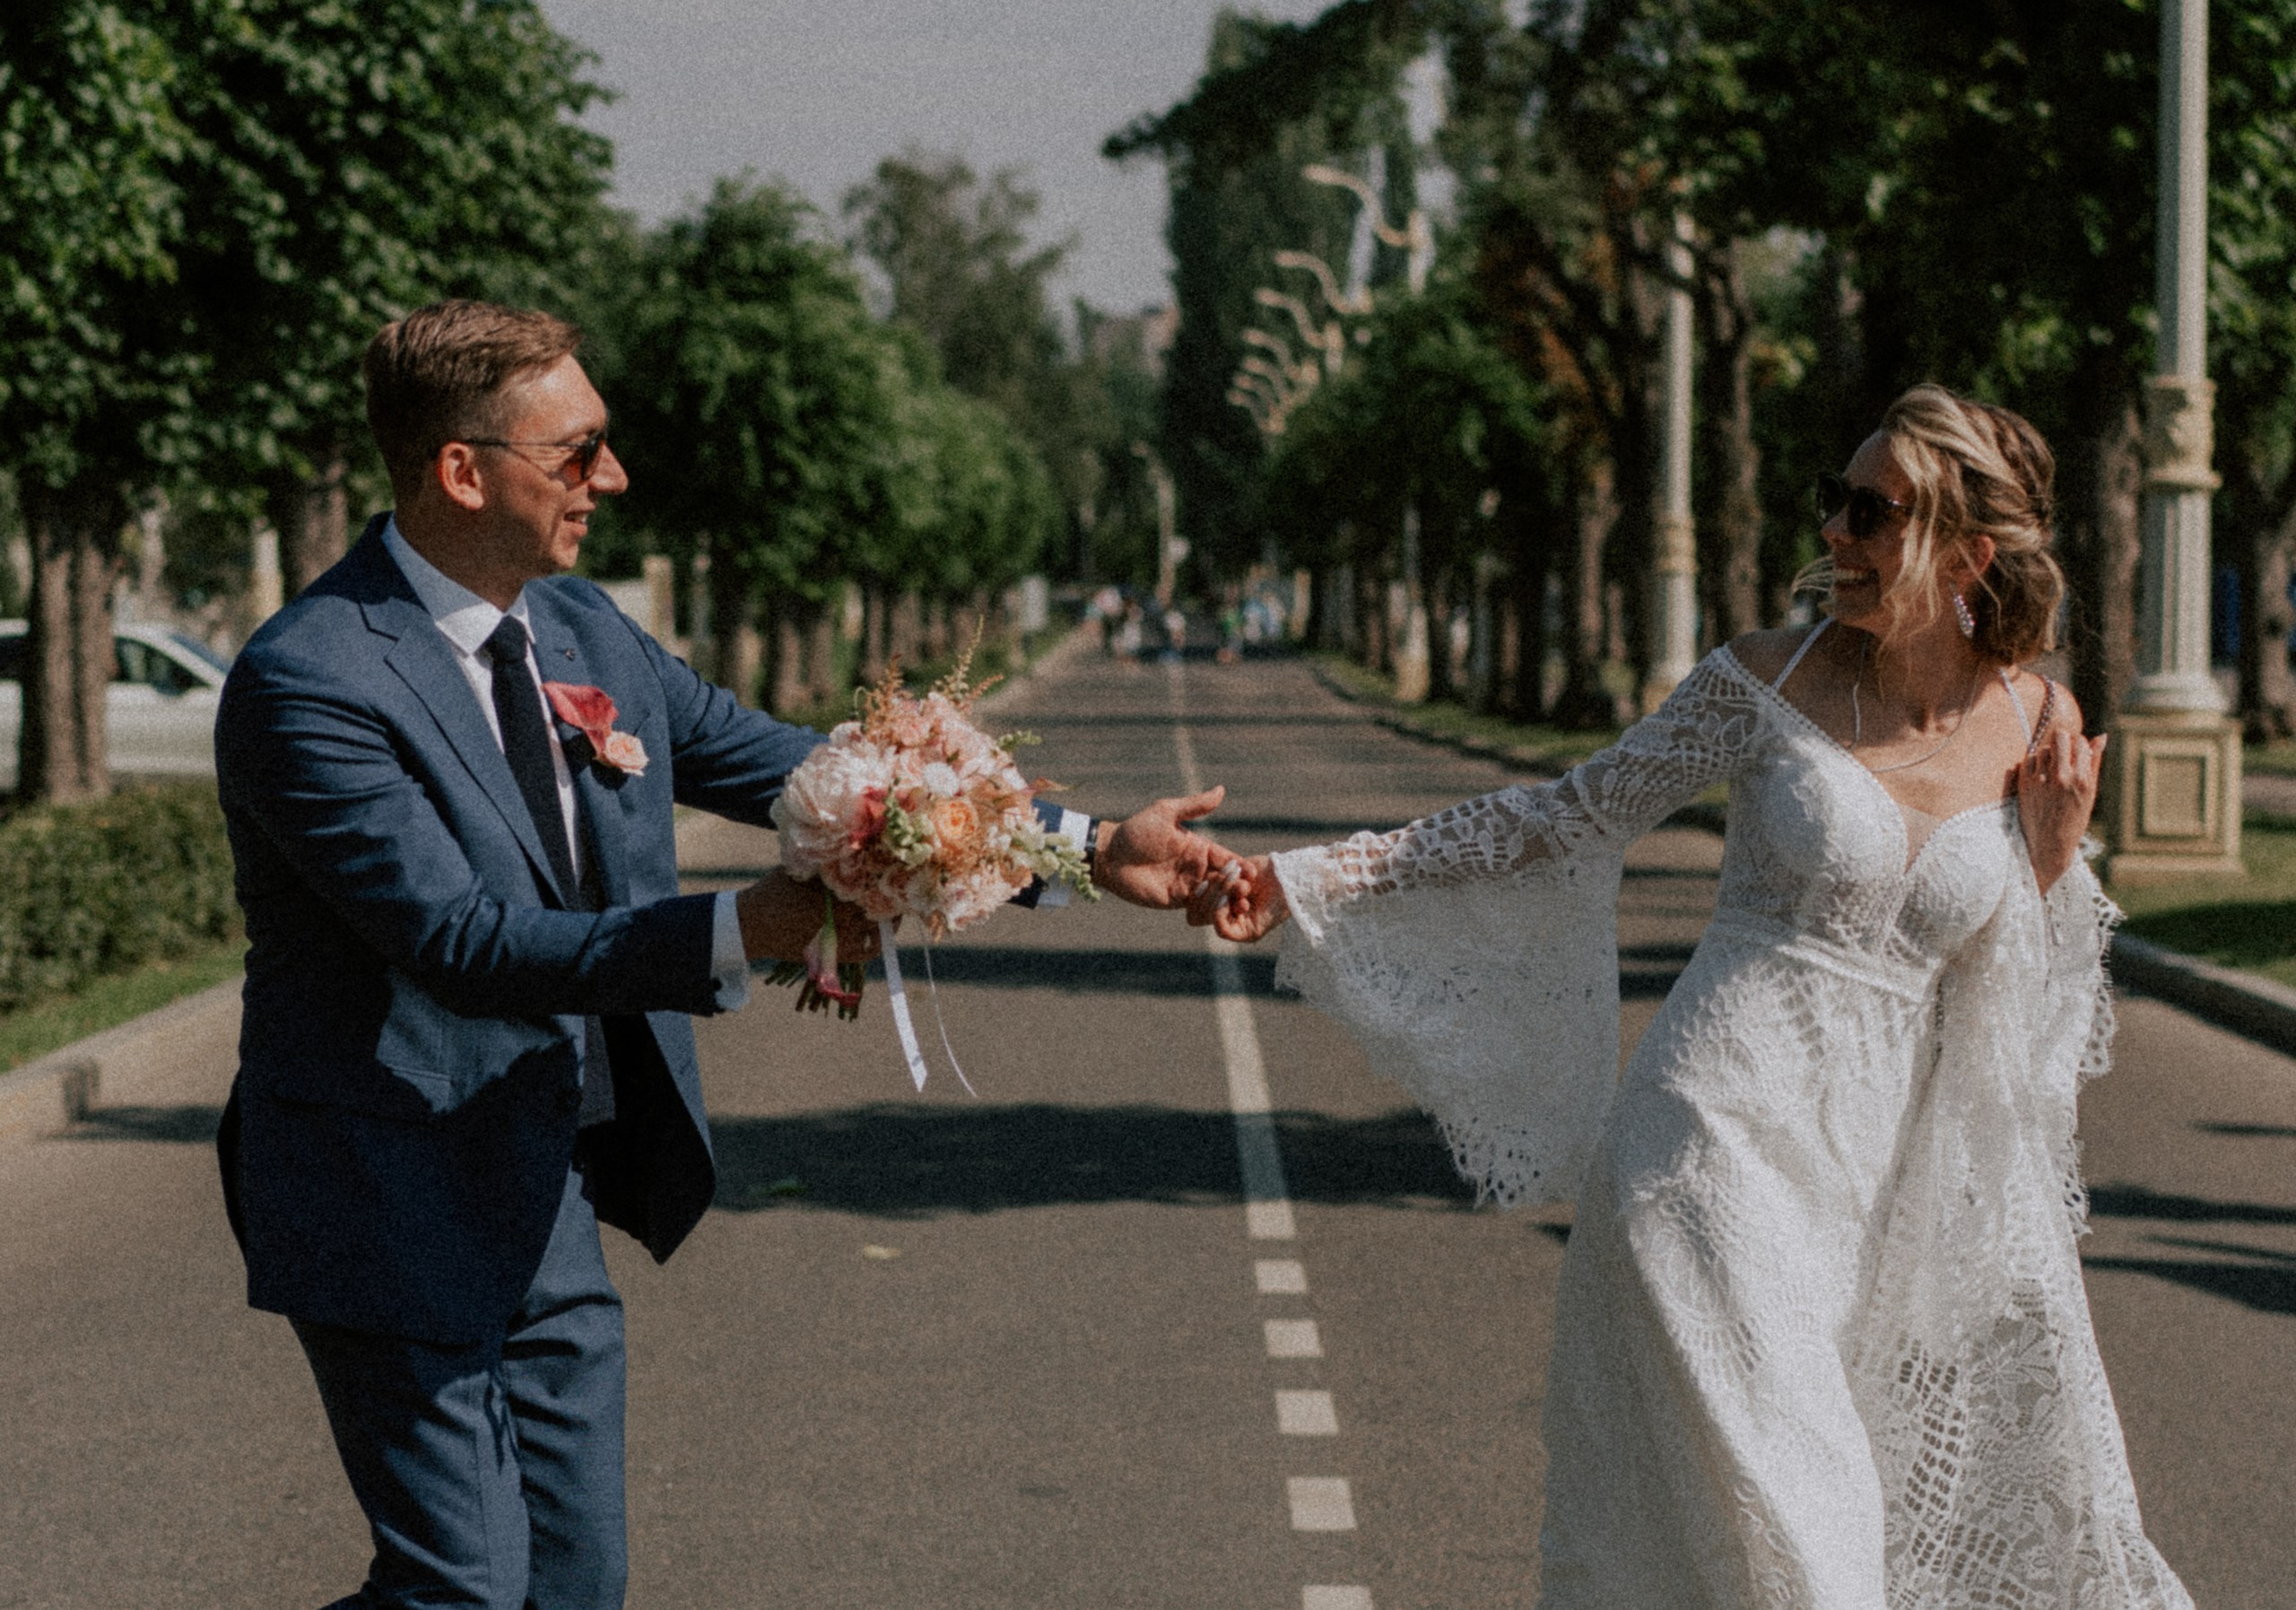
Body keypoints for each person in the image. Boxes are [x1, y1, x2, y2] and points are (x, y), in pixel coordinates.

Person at [213, 299, 1237, 1610]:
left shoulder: (584, 630)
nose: (613, 479)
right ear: (463, 471)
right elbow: (459, 943)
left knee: (576, 1589)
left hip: (547, 1183)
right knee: (461, 1591)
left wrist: (1087, 849)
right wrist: (736, 933)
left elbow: (802, 771)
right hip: (386, 1189)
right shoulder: (311, 678)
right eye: (578, 453)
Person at [1199, 385, 2192, 1608]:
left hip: (1868, 1195)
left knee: (1772, 1548)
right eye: (1835, 500)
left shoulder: (2041, 722)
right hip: (1708, 1147)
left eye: (1872, 511)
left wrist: (2045, 864)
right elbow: (1560, 818)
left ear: (1968, 553)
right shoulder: (1763, 678)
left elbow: (2025, 1026)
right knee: (1812, 1554)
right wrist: (1304, 879)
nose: (1834, 531)